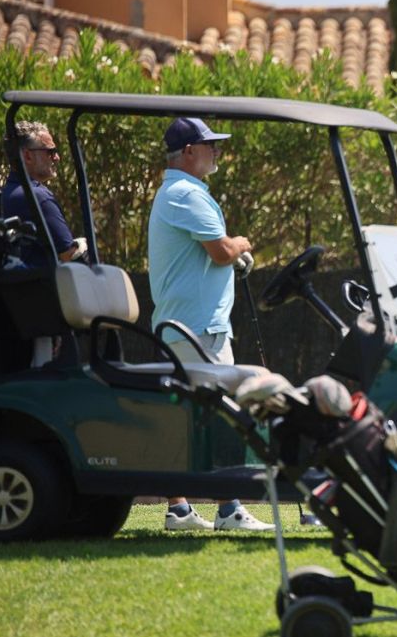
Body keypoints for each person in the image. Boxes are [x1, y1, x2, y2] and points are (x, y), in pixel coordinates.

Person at [148, 116, 271, 532]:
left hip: (189, 324)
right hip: (196, 326)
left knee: (189, 417)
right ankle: (228, 508)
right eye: (210, 145)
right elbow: (220, 252)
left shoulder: (179, 192)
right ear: (188, 152)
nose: (216, 150)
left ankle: (179, 509)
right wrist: (242, 244)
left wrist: (230, 250)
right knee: (220, 416)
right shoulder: (185, 193)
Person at [0, 121, 87, 266]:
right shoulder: (38, 197)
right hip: (45, 287)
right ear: (27, 156)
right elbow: (70, 256)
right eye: (50, 152)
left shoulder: (6, 193)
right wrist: (84, 246)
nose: (57, 158)